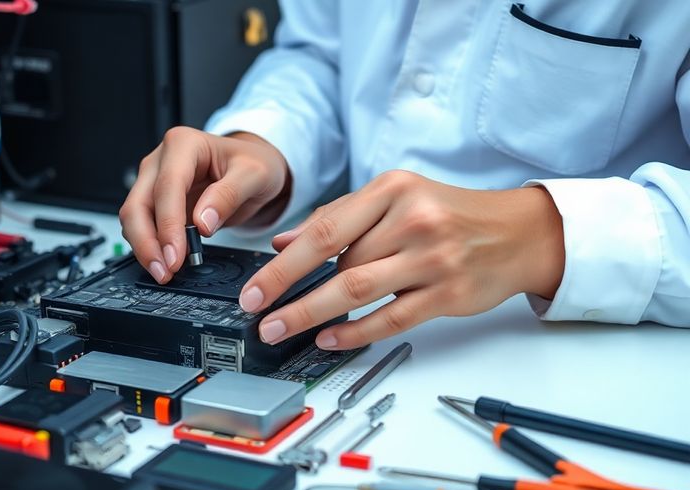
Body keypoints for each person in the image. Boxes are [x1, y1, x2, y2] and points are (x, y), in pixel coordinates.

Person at [119, 1, 690, 351]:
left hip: (580, 348)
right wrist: (264, 143)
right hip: (345, 320)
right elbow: (321, 54)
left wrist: (548, 237)